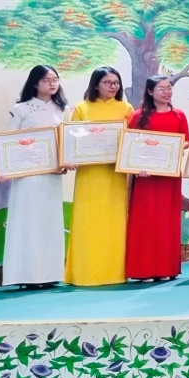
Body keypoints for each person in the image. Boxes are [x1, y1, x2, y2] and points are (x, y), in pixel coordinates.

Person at [0, 65, 68, 288]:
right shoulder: (20, 109)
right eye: (47, 80)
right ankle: (26, 276)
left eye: (55, 79)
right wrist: (3, 168)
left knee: (50, 223)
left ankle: (49, 274)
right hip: (27, 177)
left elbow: (67, 141)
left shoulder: (63, 110)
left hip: (52, 176)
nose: (52, 83)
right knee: (27, 222)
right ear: (35, 82)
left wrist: (66, 161)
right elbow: (9, 141)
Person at [65, 67, 134, 286]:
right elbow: (72, 140)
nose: (113, 86)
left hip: (114, 175)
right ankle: (84, 274)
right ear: (96, 84)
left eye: (116, 82)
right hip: (89, 175)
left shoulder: (126, 108)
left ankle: (114, 273)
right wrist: (70, 157)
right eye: (108, 82)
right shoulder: (82, 108)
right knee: (87, 223)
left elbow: (133, 139)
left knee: (114, 223)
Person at [125, 75, 189, 282]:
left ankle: (166, 269)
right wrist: (138, 166)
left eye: (169, 87)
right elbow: (130, 145)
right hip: (146, 178)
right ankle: (143, 270)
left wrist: (173, 149)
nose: (166, 92)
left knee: (166, 222)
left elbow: (187, 141)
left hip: (169, 177)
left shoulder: (179, 115)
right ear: (150, 91)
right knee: (145, 221)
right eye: (161, 88)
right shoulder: (138, 116)